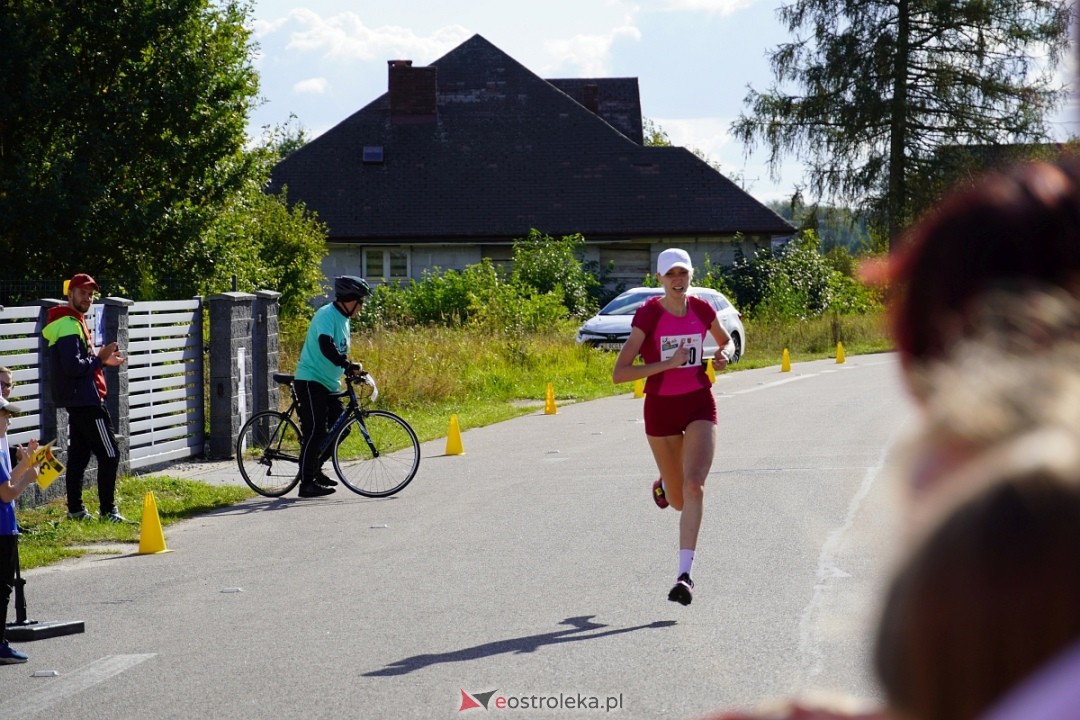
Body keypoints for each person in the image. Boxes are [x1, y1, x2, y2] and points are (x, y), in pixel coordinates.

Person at [612, 248, 730, 605]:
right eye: (671, 274)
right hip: (660, 411)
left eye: (683, 273)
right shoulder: (649, 314)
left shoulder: (702, 309)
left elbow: (725, 342)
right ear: (660, 279)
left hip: (698, 403)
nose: (678, 280)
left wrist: (723, 356)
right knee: (677, 500)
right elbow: (620, 374)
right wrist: (665, 364)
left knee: (694, 487)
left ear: (691, 276)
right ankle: (664, 485)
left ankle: (684, 576)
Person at [42, 273, 128, 522]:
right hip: (86, 402)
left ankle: (76, 511)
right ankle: (107, 511)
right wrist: (100, 359)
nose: (87, 298)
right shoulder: (69, 324)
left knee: (79, 456)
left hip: (80, 399)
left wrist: (102, 363)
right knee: (110, 453)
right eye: (82, 293)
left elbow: (80, 365)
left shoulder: (71, 321)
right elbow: (73, 367)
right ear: (70, 294)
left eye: (91, 294)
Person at [294, 275, 369, 498]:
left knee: (342, 426)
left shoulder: (344, 319)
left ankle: (315, 468)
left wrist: (351, 369)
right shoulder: (326, 315)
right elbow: (326, 346)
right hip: (310, 380)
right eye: (361, 302)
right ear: (350, 299)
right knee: (315, 431)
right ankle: (306, 484)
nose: (362, 307)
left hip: (327, 383)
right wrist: (346, 364)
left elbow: (338, 350)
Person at [0, 397, 43, 665]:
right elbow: (6, 494)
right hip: (2, 527)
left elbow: (6, 481)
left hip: (5, 526)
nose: (9, 420)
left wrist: (24, 466)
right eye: (5, 415)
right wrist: (28, 478)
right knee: (2, 588)